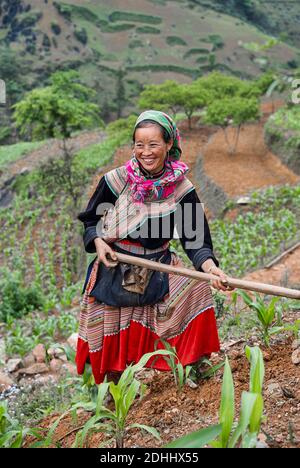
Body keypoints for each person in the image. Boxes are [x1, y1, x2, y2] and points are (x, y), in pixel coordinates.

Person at [75, 109, 234, 386]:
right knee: (114, 333)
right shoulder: (116, 181)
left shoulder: (180, 189)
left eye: (153, 144)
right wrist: (99, 242)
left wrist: (211, 269)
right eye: (139, 145)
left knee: (196, 289)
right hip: (115, 267)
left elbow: (195, 239)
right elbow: (91, 221)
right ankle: (114, 391)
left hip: (157, 265)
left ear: (169, 144)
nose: (145, 152)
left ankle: (187, 367)